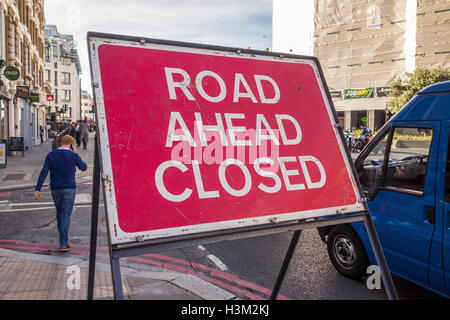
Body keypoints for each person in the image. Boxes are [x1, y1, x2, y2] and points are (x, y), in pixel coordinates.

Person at [34, 135, 87, 251]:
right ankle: (63, 242)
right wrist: (76, 153)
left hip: (55, 188)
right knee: (65, 215)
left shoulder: (51, 155)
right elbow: (84, 167)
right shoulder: (73, 155)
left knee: (60, 213)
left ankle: (62, 238)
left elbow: (44, 172)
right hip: (69, 188)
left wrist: (37, 189)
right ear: (70, 144)